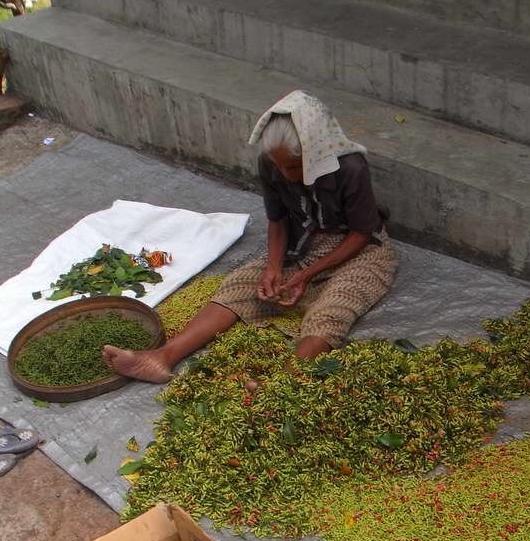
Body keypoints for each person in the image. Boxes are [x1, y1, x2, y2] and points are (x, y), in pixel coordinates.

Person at [102, 90, 399, 383]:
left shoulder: (350, 167)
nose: (285, 174)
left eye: (294, 166)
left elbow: (361, 233)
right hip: (301, 245)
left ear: (316, 154)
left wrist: (308, 274)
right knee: (239, 286)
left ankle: (279, 384)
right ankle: (161, 357)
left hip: (358, 251)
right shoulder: (272, 164)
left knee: (334, 310)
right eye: (279, 165)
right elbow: (278, 221)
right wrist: (273, 267)